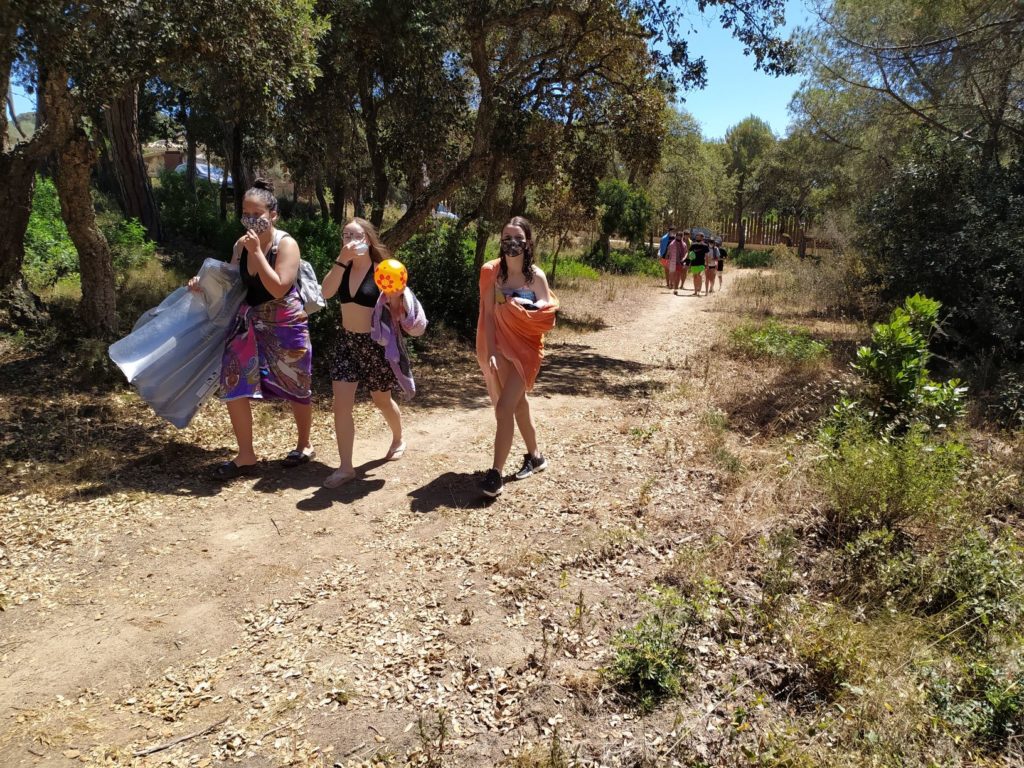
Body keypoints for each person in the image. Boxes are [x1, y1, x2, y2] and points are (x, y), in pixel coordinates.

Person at [188, 178, 314, 480]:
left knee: (297, 385)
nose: (250, 220)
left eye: (257, 214)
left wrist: (257, 252)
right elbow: (231, 284)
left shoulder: (286, 244)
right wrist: (203, 285)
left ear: (273, 215)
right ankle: (246, 455)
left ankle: (304, 444)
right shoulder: (240, 245)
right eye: (245, 213)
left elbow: (279, 287)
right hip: (249, 322)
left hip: (286, 322)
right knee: (233, 381)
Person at [320, 218, 408, 488]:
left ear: (367, 240)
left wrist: (397, 297)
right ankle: (346, 467)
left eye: (355, 235)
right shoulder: (342, 268)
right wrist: (340, 260)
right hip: (347, 343)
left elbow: (398, 312)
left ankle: (398, 438)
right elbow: (326, 292)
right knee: (341, 405)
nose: (350, 240)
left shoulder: (383, 271)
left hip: (375, 346)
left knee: (382, 400)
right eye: (345, 235)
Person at [476, 216, 558, 498]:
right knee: (518, 404)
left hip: (526, 351)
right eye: (506, 238)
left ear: (528, 243)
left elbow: (547, 316)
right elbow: (488, 316)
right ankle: (536, 457)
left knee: (503, 408)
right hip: (500, 348)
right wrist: (490, 351)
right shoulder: (494, 275)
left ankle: (495, 474)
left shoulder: (536, 277)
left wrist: (524, 308)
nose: (512, 243)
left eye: (518, 239)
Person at [687, 231, 710, 296]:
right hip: (694, 263)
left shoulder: (705, 246)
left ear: (702, 237)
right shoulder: (693, 245)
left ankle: (699, 291)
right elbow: (690, 254)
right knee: (695, 277)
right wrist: (689, 263)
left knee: (699, 276)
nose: (697, 237)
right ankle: (695, 291)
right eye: (696, 236)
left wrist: (707, 264)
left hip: (701, 264)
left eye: (698, 236)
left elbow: (707, 256)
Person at [666, 230, 687, 294]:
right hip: (672, 261)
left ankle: (675, 289)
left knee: (678, 275)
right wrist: (667, 259)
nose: (678, 237)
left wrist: (684, 258)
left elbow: (686, 252)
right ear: (676, 236)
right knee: (672, 274)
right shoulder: (672, 244)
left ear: (682, 237)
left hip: (680, 262)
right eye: (677, 236)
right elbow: (668, 252)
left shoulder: (684, 244)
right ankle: (671, 283)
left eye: (680, 236)